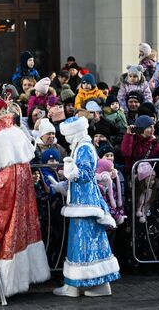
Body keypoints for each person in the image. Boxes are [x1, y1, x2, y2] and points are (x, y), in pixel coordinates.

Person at [0, 99, 50, 304]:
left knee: (0, 239)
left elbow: (4, 180)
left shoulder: (0, 139)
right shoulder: (13, 134)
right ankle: (16, 282)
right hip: (19, 201)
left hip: (6, 202)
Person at [51, 116, 120, 297]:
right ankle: (77, 284)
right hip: (80, 202)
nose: (65, 139)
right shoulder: (80, 147)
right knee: (83, 242)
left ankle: (88, 285)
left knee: (84, 243)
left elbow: (86, 174)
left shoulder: (84, 148)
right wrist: (64, 186)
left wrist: (72, 173)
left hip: (85, 204)